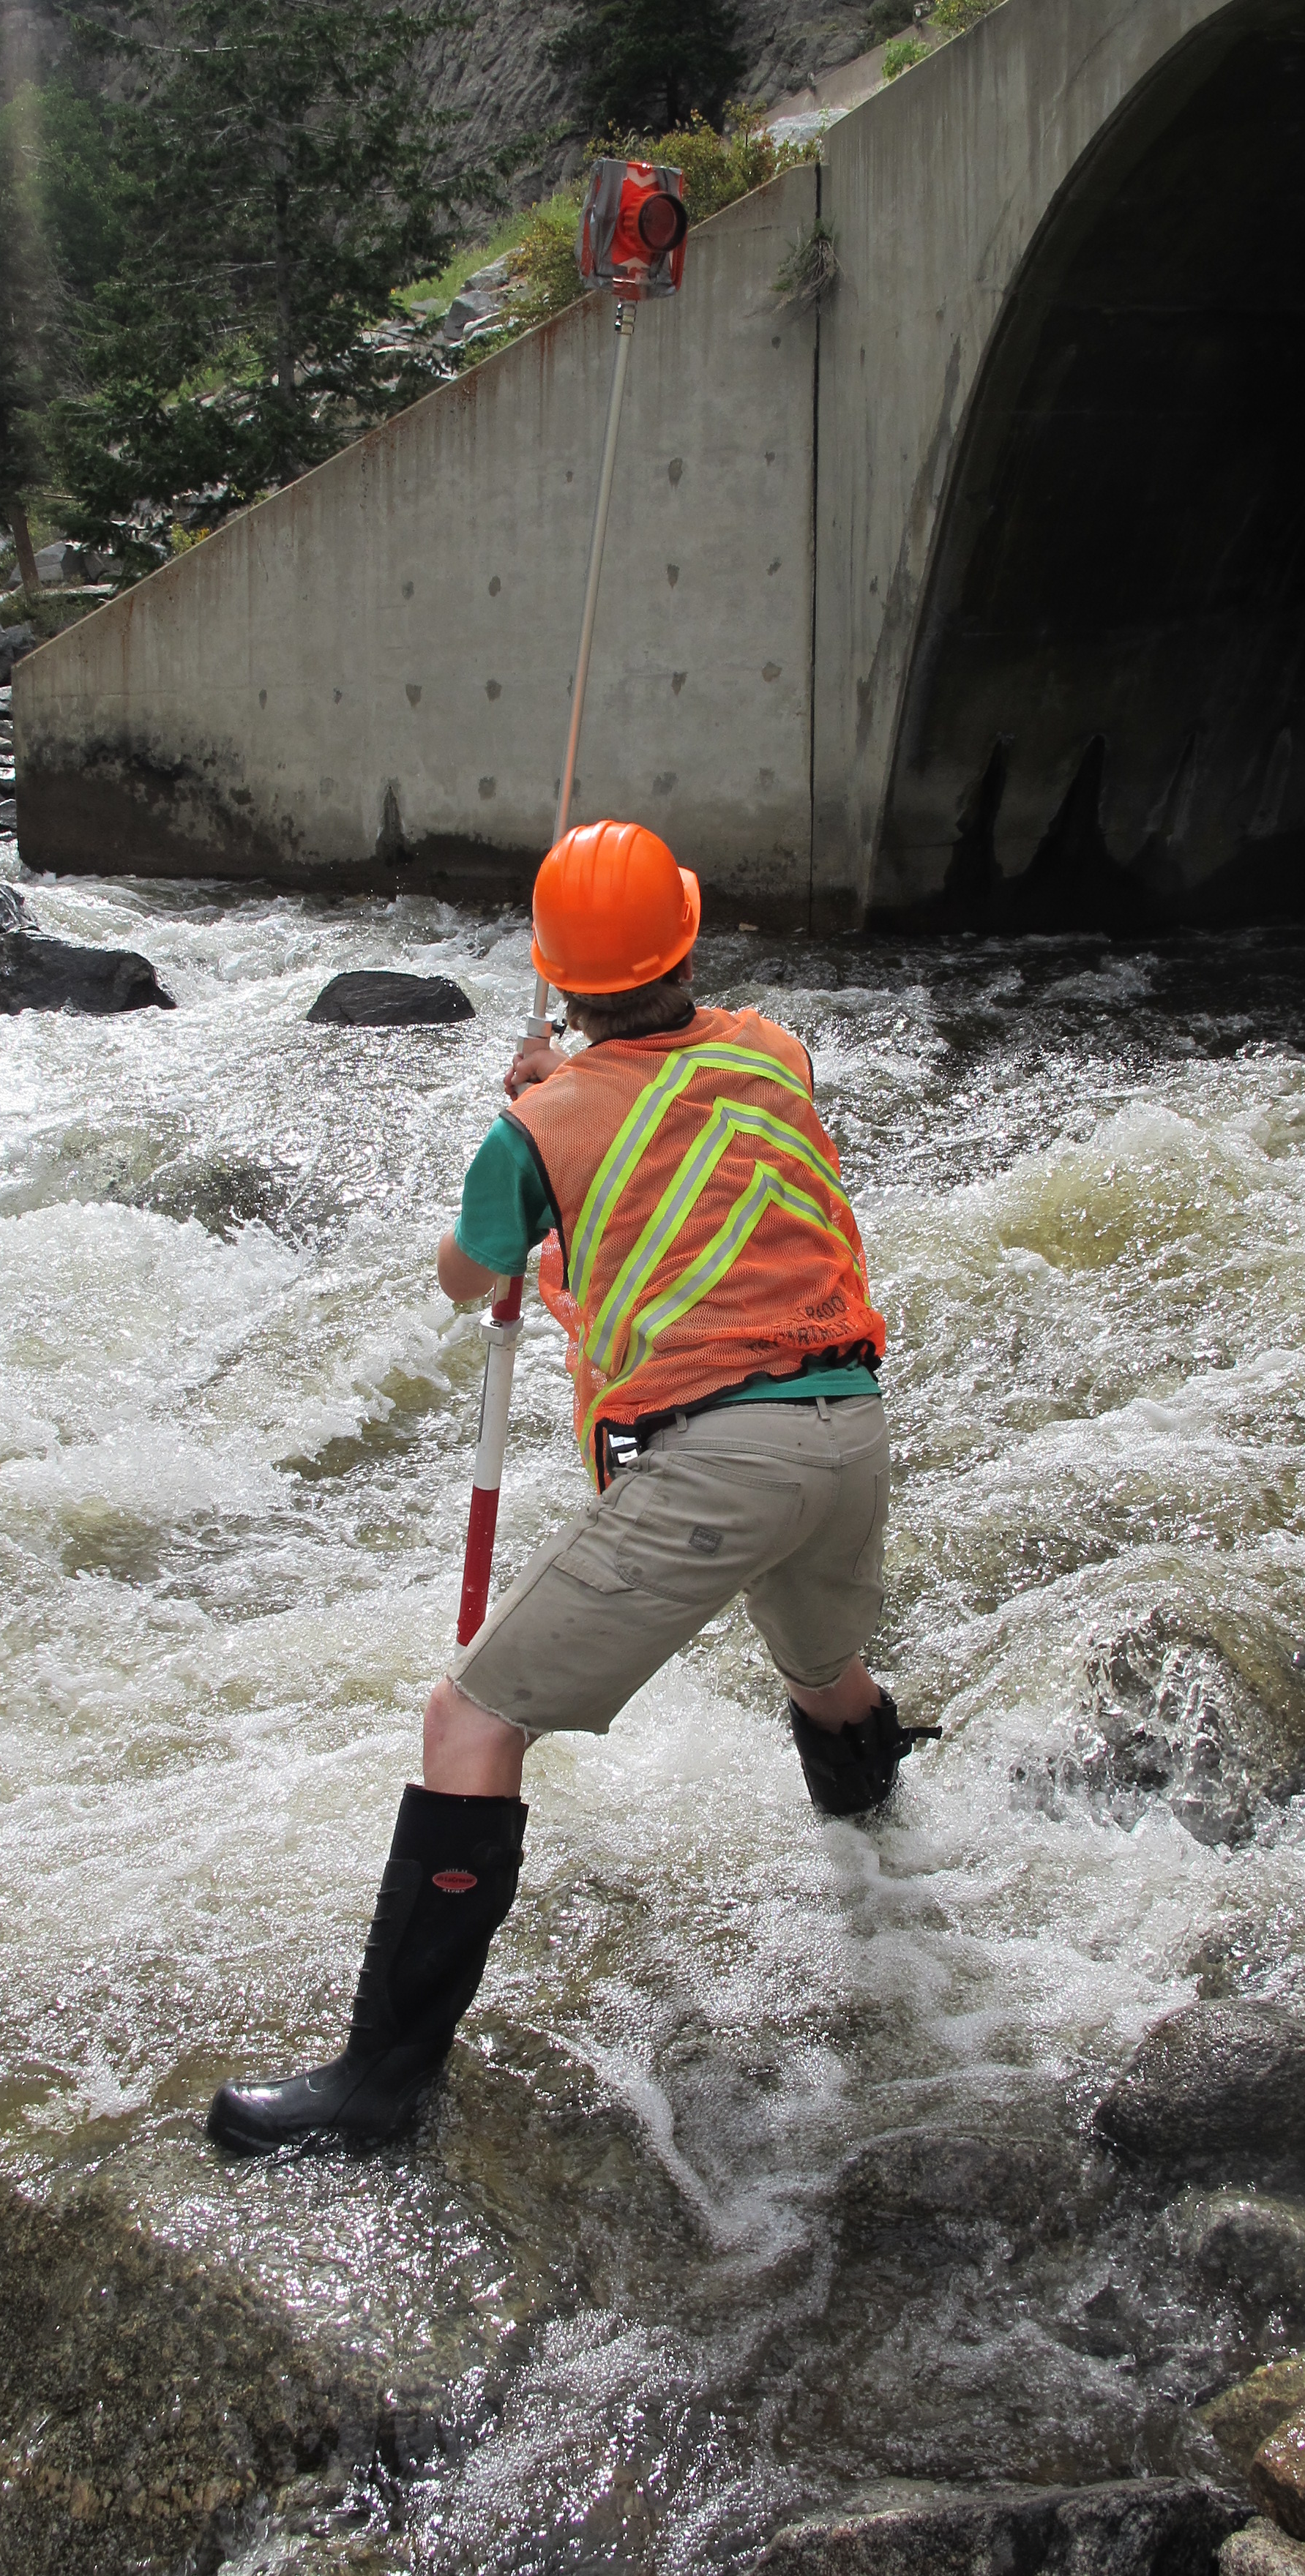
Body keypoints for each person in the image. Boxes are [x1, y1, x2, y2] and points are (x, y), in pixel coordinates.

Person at [206, 820, 936, 2157]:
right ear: (689, 941)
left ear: (556, 973)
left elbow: (468, 1276)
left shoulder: (538, 1130)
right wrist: (571, 1091)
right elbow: (676, 1102)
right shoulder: (774, 1050)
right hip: (850, 1427)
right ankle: (901, 1890)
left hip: (724, 1457)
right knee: (824, 1671)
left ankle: (376, 2088)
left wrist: (530, 1126)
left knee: (471, 1721)